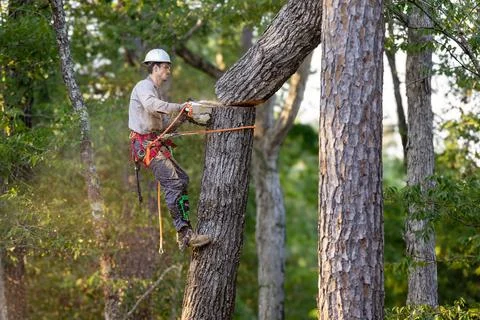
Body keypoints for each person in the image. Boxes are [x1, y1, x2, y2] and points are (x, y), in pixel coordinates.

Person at [129, 48, 211, 251]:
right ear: (155, 67)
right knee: (174, 182)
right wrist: (181, 106)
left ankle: (185, 233)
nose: (168, 71)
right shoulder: (144, 87)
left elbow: (165, 124)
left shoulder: (155, 92)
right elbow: (150, 106)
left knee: (182, 179)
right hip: (146, 146)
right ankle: (185, 234)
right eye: (166, 67)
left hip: (154, 144)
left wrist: (186, 116)